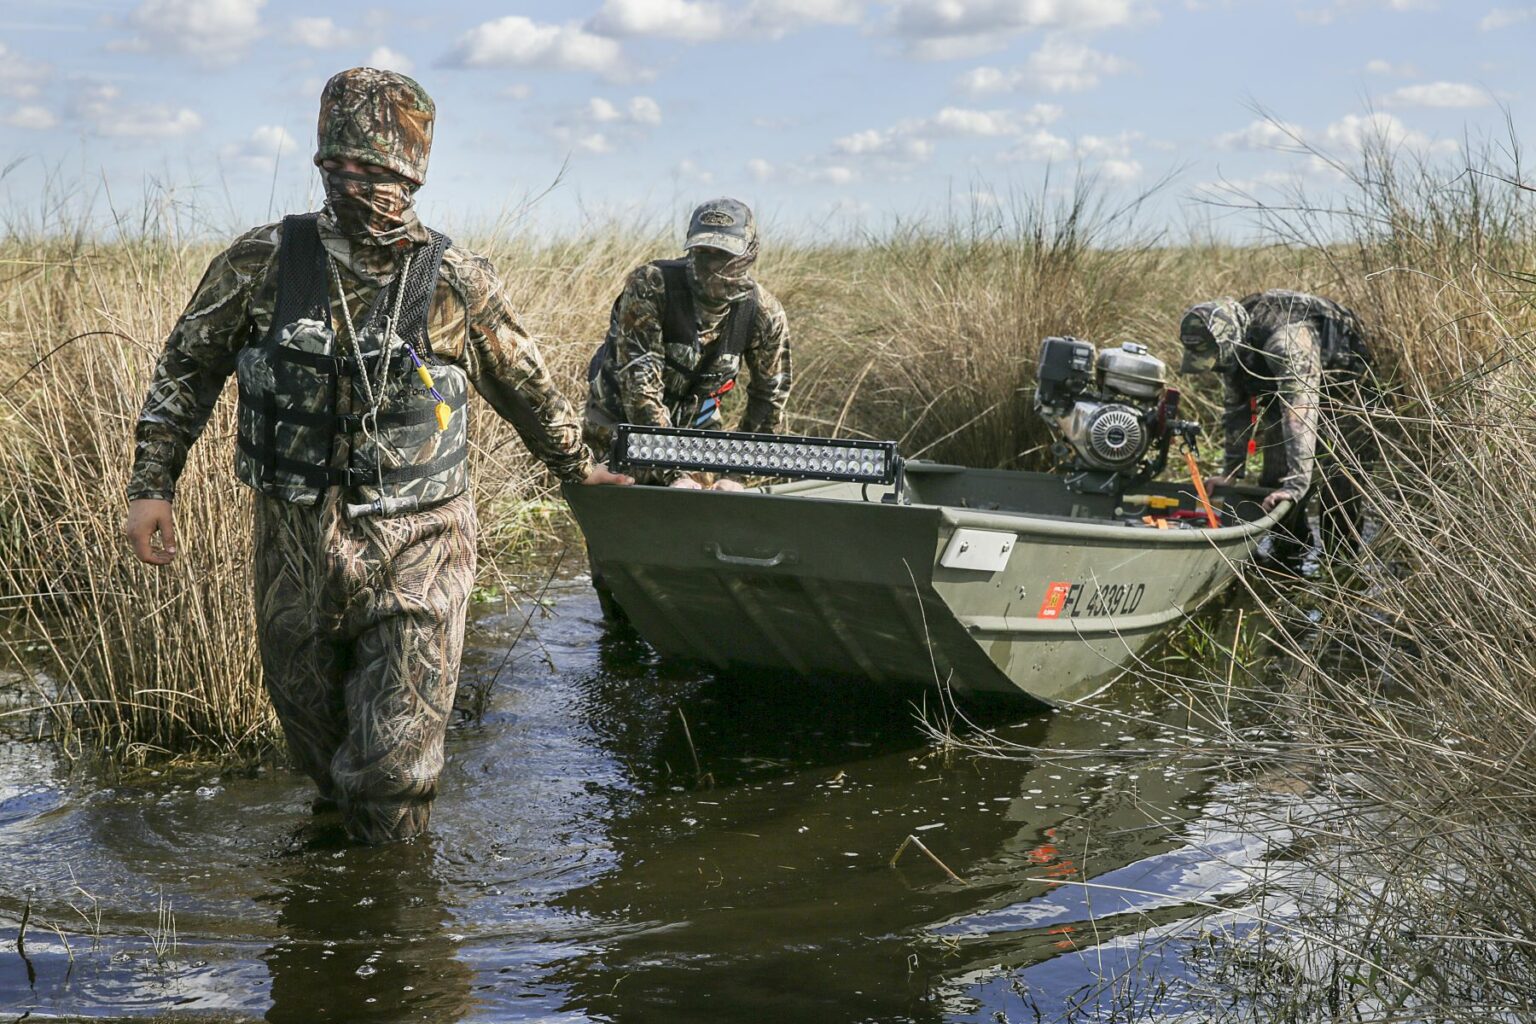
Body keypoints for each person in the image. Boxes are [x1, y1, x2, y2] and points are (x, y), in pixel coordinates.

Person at [121, 67, 631, 844]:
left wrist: (579, 474)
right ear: (321, 162)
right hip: (291, 548)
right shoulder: (261, 261)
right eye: (342, 166)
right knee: (323, 764)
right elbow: (187, 368)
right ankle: (325, 935)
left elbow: (527, 387)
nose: (358, 184)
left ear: (413, 173)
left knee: (394, 781)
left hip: (419, 550)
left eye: (379, 170)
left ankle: (398, 943)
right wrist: (151, 484)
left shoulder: (453, 280)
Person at [583, 197, 793, 491]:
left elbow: (769, 398)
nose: (710, 264)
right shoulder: (651, 287)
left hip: (696, 435)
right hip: (619, 430)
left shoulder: (763, 313)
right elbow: (639, 389)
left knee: (699, 524)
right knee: (622, 518)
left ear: (747, 254)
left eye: (721, 253)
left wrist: (735, 475)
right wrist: (673, 471)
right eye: (702, 251)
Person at [1178, 289, 1377, 564]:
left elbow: (1300, 411)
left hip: (1348, 388)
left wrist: (1297, 483)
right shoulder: (1233, 342)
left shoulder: (1286, 342)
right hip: (1282, 384)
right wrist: (1232, 472)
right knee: (1273, 483)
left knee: (1338, 487)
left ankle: (1341, 567)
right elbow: (1237, 407)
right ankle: (1290, 556)